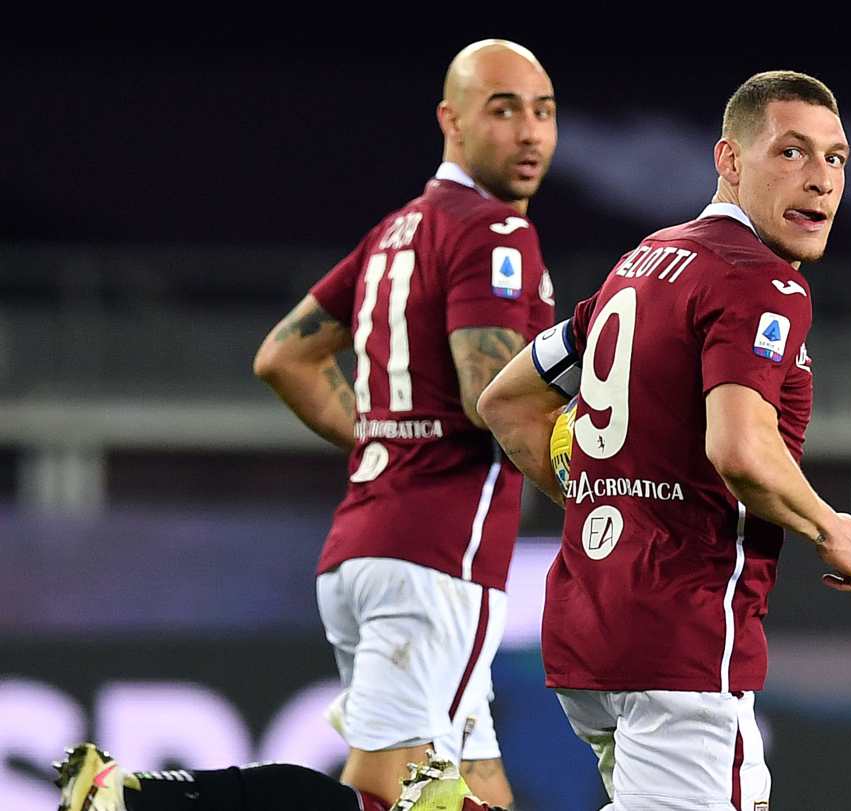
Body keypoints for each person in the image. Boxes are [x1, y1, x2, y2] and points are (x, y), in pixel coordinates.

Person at [53, 38, 556, 811]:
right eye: (504, 109)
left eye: (543, 111)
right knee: (387, 798)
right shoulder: (494, 234)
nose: (529, 132)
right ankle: (133, 796)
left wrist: (386, 437)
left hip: (370, 545)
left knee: (481, 787)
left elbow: (283, 356)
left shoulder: (400, 230)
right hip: (435, 556)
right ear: (450, 121)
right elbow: (491, 390)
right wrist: (595, 453)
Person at [475, 70, 851, 811]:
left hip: (588, 631)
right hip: (682, 638)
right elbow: (742, 450)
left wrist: (604, 492)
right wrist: (833, 526)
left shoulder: (641, 266)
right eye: (791, 153)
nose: (821, 181)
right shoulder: (761, 283)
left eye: (837, 159)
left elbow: (507, 401)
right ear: (728, 160)